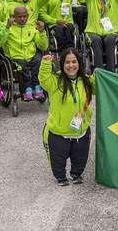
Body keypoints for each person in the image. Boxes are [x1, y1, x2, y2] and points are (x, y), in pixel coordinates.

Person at [39, 49, 94, 186]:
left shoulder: (86, 81)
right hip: (59, 133)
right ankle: (60, 176)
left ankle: (76, 173)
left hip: (81, 130)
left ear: (79, 63)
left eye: (74, 61)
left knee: (80, 158)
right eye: (67, 62)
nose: (71, 65)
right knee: (58, 159)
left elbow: (102, 86)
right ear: (62, 65)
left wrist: (100, 75)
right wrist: (46, 63)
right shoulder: (54, 81)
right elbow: (43, 79)